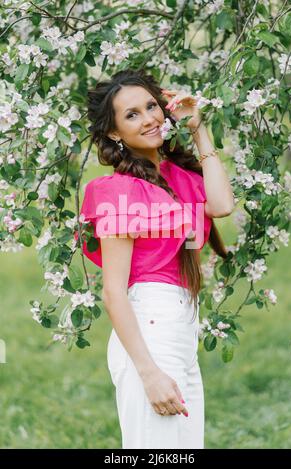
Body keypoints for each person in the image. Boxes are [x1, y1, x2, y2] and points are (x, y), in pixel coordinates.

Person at [78, 68, 234, 449]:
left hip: (182, 329)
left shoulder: (180, 176)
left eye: (151, 106)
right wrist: (148, 373)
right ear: (114, 132)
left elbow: (222, 205)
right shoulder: (116, 191)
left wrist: (199, 129)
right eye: (131, 114)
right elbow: (113, 292)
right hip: (151, 328)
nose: (148, 118)